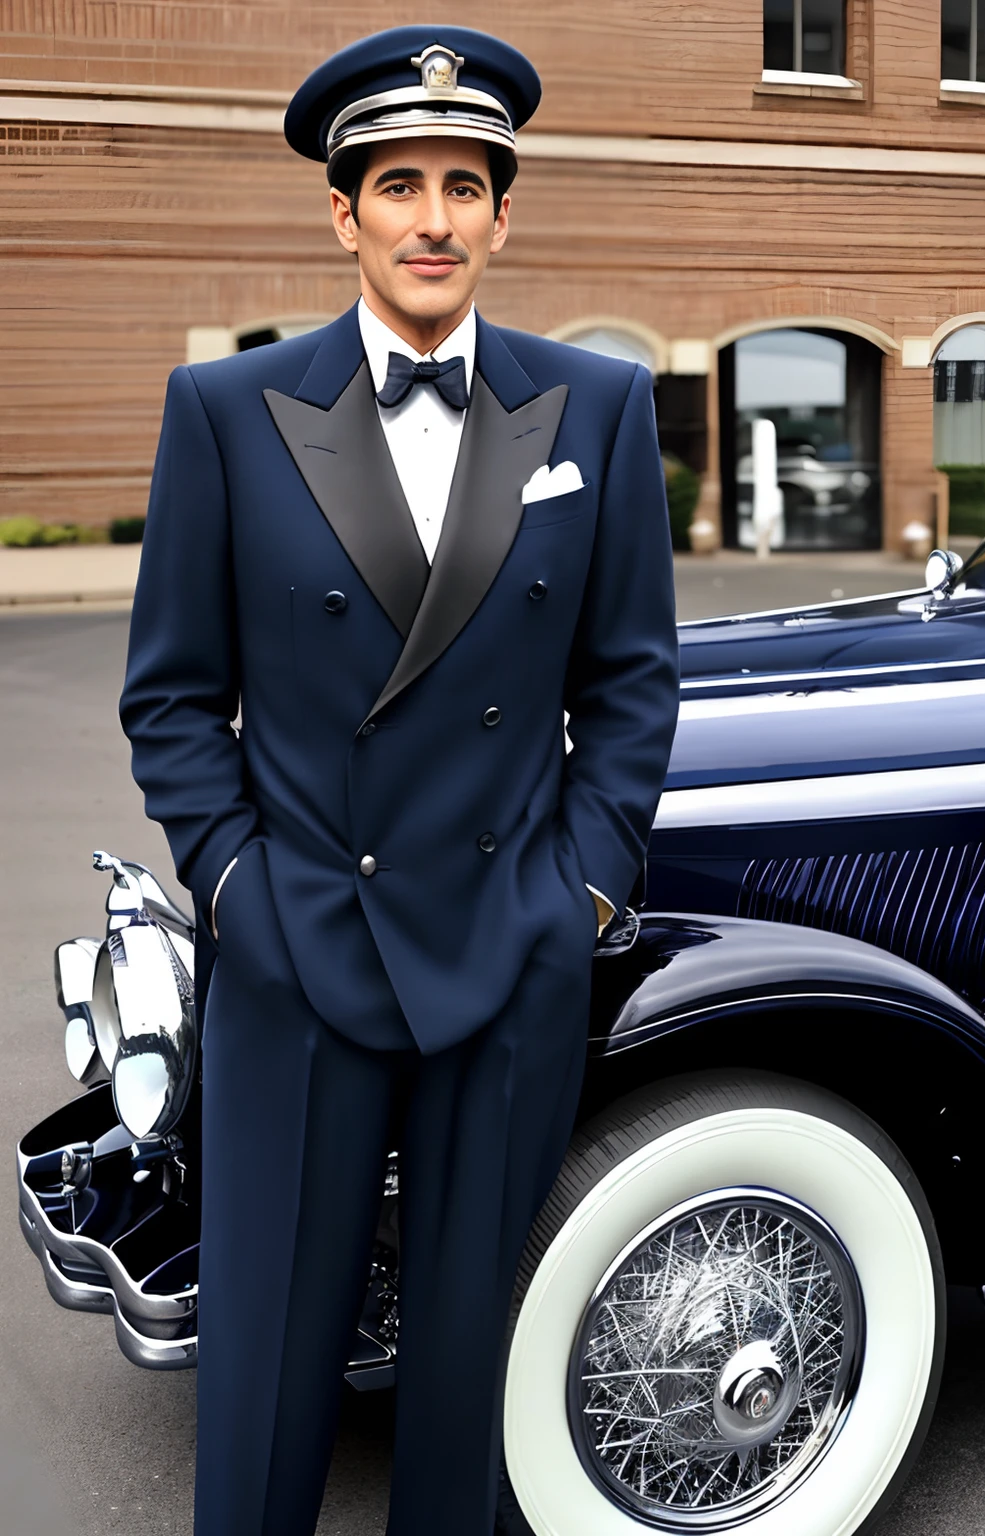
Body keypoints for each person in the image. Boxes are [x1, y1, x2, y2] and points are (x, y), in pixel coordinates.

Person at [119, 23, 680, 1536]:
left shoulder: (599, 411)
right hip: (300, 952)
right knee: (264, 1379)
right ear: (343, 213)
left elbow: (631, 684)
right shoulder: (229, 416)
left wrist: (582, 888)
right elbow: (172, 699)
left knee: (469, 1367)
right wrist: (237, 886)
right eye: (399, 184)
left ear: (505, 211)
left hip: (508, 951)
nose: (433, 218)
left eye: (464, 184)